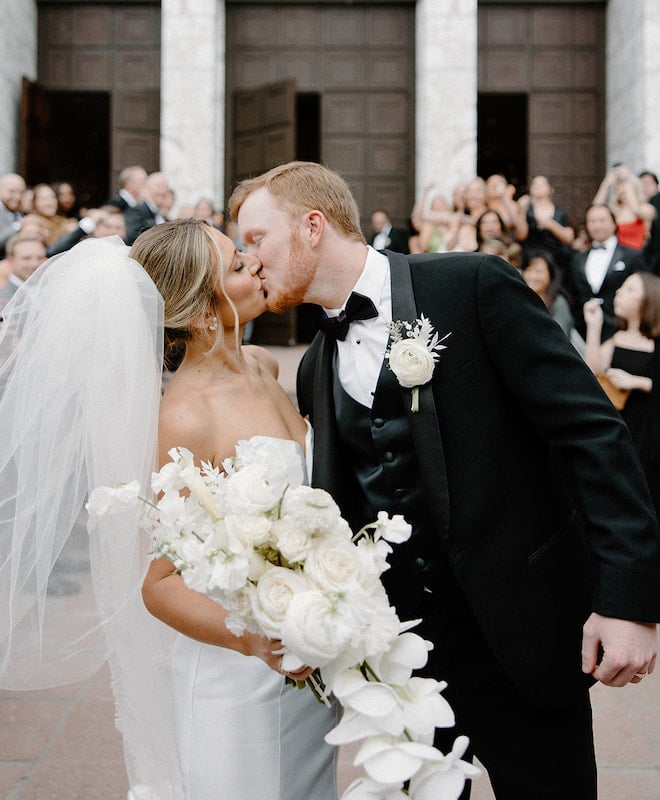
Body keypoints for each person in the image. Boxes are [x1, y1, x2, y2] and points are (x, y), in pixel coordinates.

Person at [229, 160, 660, 800]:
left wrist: (628, 599)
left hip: (523, 633)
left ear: (311, 226)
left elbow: (591, 432)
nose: (250, 260)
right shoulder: (315, 362)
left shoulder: (472, 285)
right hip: (402, 664)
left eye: (255, 239)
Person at [0, 222, 338, 800]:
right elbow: (159, 585)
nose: (256, 263)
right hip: (240, 680)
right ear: (205, 314)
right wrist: (254, 639)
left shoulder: (263, 365)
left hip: (310, 657)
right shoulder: (183, 418)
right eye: (237, 264)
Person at [583, 271, 660, 515]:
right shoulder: (616, 338)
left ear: (649, 300)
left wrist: (635, 381)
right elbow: (591, 372)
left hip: (648, 431)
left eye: (630, 289)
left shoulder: (655, 343)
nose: (619, 292)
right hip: (621, 427)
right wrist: (593, 327)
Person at [566, 204, 646, 343]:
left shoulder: (632, 255)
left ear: (614, 223)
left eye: (602, 220)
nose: (597, 226)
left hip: (619, 328)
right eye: (592, 221)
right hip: (583, 330)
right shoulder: (577, 259)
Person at [515, 175, 575, 270]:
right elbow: (520, 235)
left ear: (551, 189)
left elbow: (569, 238)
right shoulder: (527, 210)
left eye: (542, 183)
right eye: (534, 184)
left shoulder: (560, 212)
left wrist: (550, 224)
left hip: (555, 259)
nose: (537, 186)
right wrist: (522, 210)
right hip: (531, 257)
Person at [593, 164, 656, 250]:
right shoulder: (614, 210)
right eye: (619, 185)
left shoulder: (646, 208)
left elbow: (636, 210)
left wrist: (627, 180)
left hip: (638, 255)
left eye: (624, 185)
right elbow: (596, 209)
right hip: (619, 256)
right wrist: (606, 183)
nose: (622, 189)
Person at [521, 248, 574, 338]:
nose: (532, 276)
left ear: (551, 275)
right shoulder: (520, 298)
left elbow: (561, 338)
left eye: (539, 271)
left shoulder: (558, 303)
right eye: (529, 270)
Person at [0, 233, 47, 314]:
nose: (34, 264)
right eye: (26, 258)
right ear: (11, 261)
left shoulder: (48, 288)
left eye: (40, 258)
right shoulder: (4, 300)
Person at [0, 172, 26, 259]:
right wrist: (18, 226)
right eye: (12, 191)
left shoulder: (23, 212)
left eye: (21, 192)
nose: (17, 196)